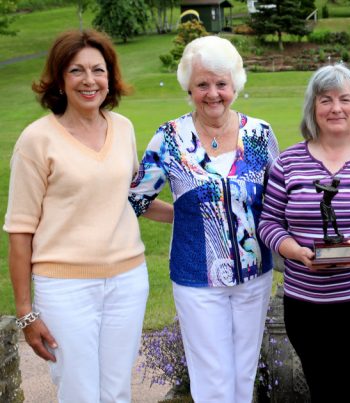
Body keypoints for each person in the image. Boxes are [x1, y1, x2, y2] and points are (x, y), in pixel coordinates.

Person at [128, 36, 278, 402]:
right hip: (197, 276)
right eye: (202, 85)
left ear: (235, 85)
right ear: (189, 88)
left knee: (244, 370)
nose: (213, 93)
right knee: (211, 376)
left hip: (254, 273)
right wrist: (184, 216)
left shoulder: (259, 133)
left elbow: (279, 197)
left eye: (221, 84)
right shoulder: (169, 138)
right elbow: (138, 200)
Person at [4, 29, 148, 402]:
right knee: (78, 392)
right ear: (59, 79)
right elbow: (20, 231)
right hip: (65, 288)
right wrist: (25, 312)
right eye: (76, 71)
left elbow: (129, 198)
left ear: (110, 77)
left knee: (116, 391)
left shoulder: (124, 128)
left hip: (128, 282)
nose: (89, 81)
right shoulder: (37, 141)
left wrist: (196, 212)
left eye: (98, 70)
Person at [258, 64, 350, 402]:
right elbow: (268, 223)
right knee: (324, 392)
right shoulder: (288, 163)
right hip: (308, 305)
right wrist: (293, 250)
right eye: (325, 100)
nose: (336, 108)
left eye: (344, 99)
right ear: (313, 108)